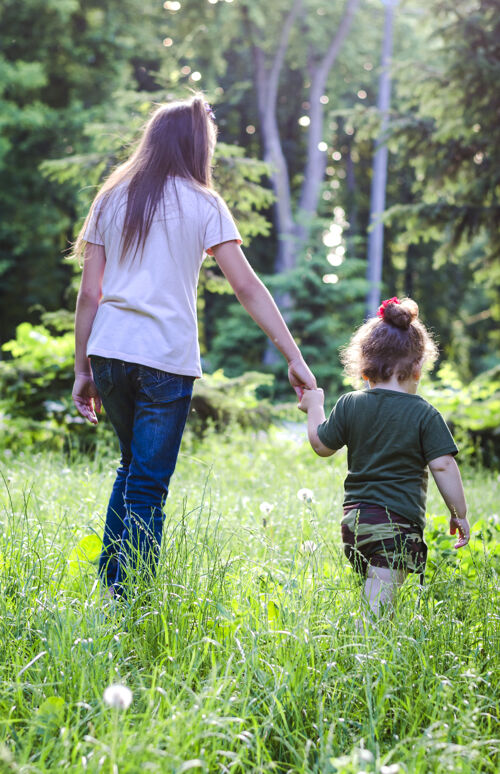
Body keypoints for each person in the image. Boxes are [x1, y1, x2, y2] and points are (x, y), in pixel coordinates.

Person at [72, 95, 316, 596]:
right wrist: (294, 356)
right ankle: (128, 599)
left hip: (110, 350)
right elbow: (247, 286)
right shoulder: (204, 203)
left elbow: (89, 293)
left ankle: (110, 586)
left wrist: (82, 369)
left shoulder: (111, 196)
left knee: (130, 467)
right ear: (196, 144)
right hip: (164, 358)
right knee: (147, 484)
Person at [298, 296, 469, 619]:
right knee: (377, 614)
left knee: (373, 595)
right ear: (417, 369)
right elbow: (443, 464)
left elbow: (321, 445)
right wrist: (458, 512)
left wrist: (314, 406)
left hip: (355, 524)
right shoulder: (424, 413)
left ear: (364, 368)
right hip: (396, 527)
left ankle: (364, 652)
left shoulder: (350, 403)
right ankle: (365, 661)